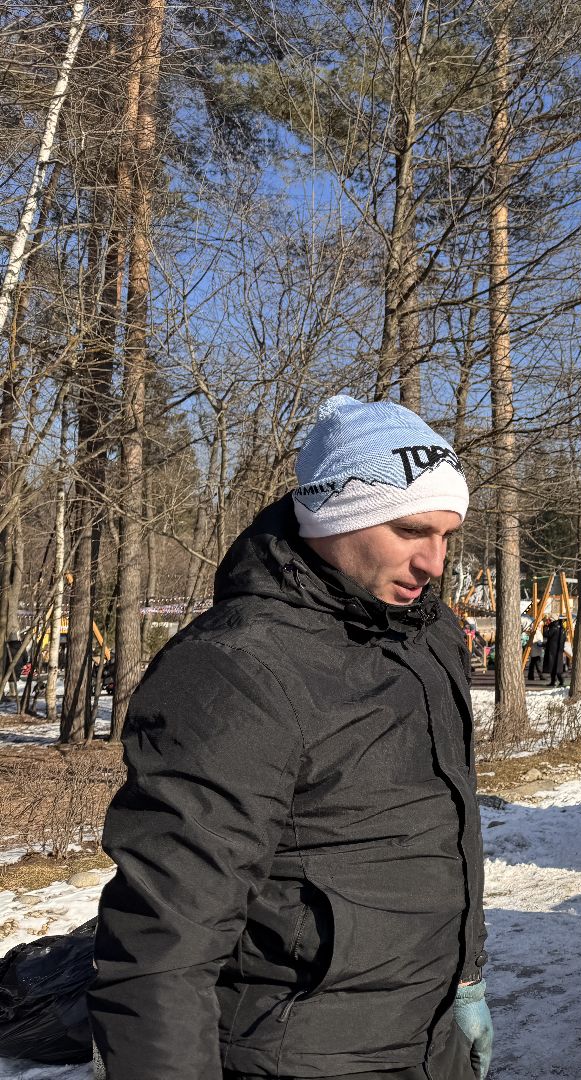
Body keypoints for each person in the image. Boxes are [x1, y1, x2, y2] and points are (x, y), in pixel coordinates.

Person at [90, 395, 492, 1080]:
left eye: (447, 535)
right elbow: (165, 939)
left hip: (427, 1039)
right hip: (300, 1055)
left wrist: (466, 978)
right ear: (335, 514)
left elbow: (444, 828)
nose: (434, 561)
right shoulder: (235, 669)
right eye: (410, 530)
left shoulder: (428, 636)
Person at [543, 616, 566, 688]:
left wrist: (545, 627)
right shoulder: (562, 628)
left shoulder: (553, 627)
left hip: (552, 650)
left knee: (552, 666)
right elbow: (564, 639)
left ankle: (554, 681)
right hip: (559, 650)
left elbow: (546, 634)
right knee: (557, 666)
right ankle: (560, 680)